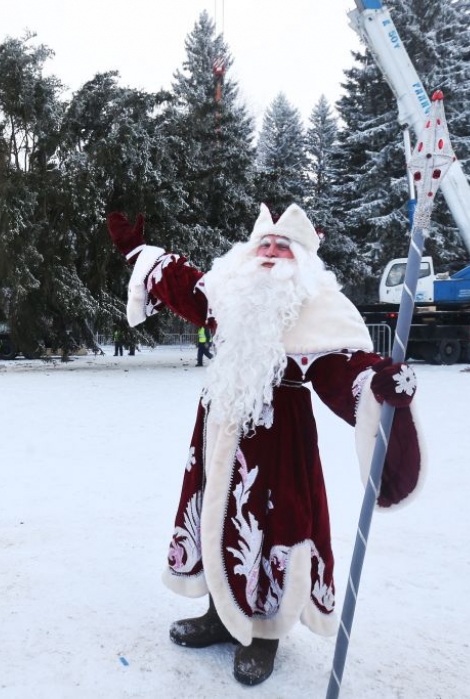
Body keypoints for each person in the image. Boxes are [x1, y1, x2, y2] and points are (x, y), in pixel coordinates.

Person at [106, 204, 425, 686]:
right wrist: (137, 251)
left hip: (280, 440)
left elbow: (345, 373)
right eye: (265, 244)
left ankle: (264, 634)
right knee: (217, 515)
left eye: (283, 246)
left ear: (302, 258)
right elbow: (184, 286)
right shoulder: (229, 292)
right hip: (218, 431)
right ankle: (219, 613)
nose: (272, 253)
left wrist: (377, 380)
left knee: (275, 526)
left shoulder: (320, 308)